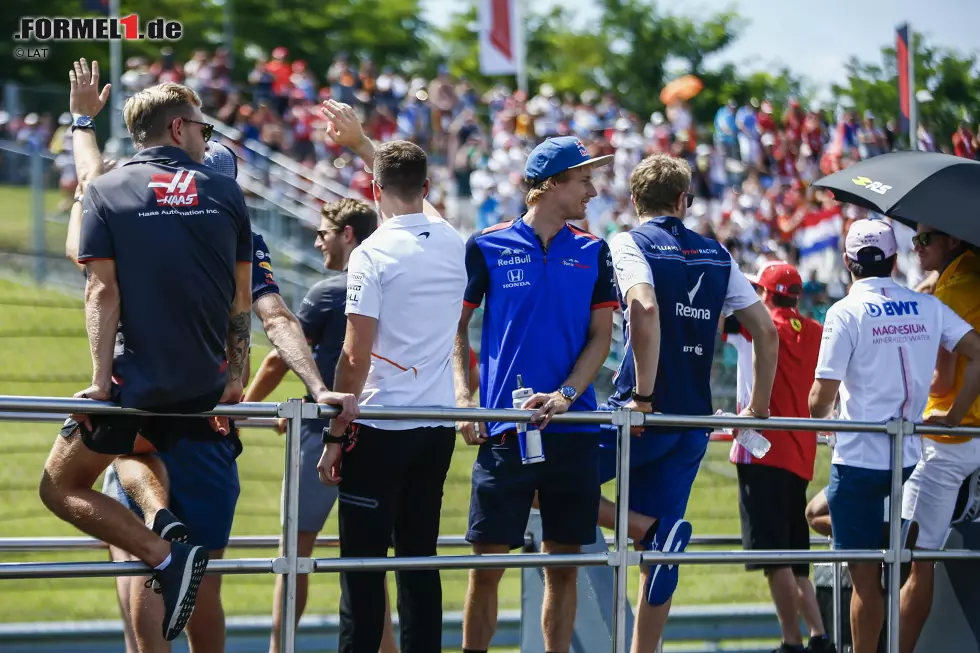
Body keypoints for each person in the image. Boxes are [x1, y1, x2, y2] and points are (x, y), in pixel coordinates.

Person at [61, 64, 358, 652]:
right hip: (209, 409)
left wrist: (82, 122)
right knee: (196, 574)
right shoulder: (229, 217)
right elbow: (264, 313)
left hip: (144, 391)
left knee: (142, 555)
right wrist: (270, 385)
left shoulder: (123, 201)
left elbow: (89, 197)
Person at [39, 71, 254, 641]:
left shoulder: (107, 191)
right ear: (178, 127)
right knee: (140, 453)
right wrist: (234, 381)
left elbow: (100, 292)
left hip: (140, 387)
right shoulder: (226, 191)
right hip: (205, 391)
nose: (207, 138)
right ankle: (167, 532)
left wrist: (99, 386)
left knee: (59, 485)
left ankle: (164, 553)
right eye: (204, 128)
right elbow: (241, 299)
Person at [598, 152, 779, 653]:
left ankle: (645, 528)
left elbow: (645, 306)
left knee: (549, 479)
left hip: (641, 413)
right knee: (661, 560)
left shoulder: (628, 241)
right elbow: (765, 331)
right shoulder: (718, 254)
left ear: (635, 201)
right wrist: (757, 409)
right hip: (692, 420)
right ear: (684, 201)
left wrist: (642, 396)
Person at [454, 135, 616, 653]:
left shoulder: (594, 249)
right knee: (486, 568)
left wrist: (567, 394)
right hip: (505, 428)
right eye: (583, 179)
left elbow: (601, 337)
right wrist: (465, 399)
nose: (592, 190)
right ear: (549, 185)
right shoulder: (485, 244)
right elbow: (456, 327)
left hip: (573, 427)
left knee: (563, 569)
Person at [317, 136, 466, 653]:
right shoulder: (454, 241)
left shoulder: (371, 253)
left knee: (361, 571)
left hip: (380, 427)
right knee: (419, 563)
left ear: (373, 188)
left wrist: (335, 432)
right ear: (426, 187)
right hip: (436, 425)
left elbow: (354, 356)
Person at [808, 219, 980, 653]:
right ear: (894, 259)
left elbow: (817, 401)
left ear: (848, 263)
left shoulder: (844, 311)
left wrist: (830, 412)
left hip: (858, 461)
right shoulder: (928, 304)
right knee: (898, 564)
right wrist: (955, 415)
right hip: (908, 457)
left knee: (865, 580)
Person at [244, 195, 391, 653]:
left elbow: (275, 359)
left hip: (323, 432)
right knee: (370, 559)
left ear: (348, 235)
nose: (317, 241)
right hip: (379, 431)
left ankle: (278, 649)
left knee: (295, 552)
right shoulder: (388, 287)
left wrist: (244, 408)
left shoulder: (327, 292)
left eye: (324, 232)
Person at [724, 261, 834, 653]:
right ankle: (819, 638)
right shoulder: (817, 332)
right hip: (800, 454)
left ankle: (791, 642)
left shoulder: (754, 325)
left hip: (761, 451)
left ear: (765, 294)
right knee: (795, 556)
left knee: (775, 558)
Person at [901, 226, 980, 653]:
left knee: (915, 559)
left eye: (925, 238)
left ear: (954, 239)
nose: (917, 247)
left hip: (947, 439)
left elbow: (941, 378)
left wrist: (901, 385)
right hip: (968, 435)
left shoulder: (953, 292)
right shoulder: (962, 280)